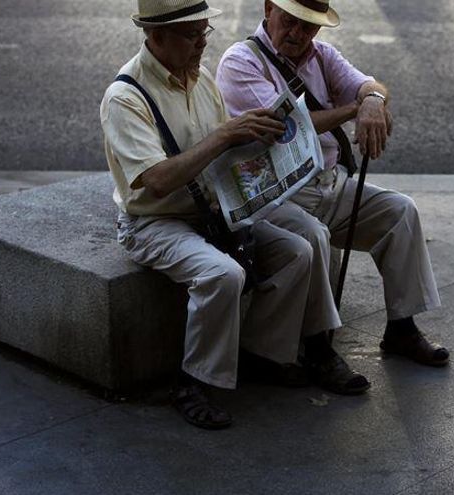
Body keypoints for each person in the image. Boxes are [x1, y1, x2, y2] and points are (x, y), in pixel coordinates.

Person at [101, 0, 349, 430]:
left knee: (303, 243)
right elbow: (157, 180)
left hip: (213, 207)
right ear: (155, 36)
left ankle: (266, 353)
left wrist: (263, 148)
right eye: (191, 35)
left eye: (204, 33)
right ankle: (192, 383)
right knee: (222, 275)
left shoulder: (201, 79)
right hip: (155, 221)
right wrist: (223, 138)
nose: (201, 44)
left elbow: (225, 157)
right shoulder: (125, 96)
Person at [215, 0, 450, 380]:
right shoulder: (240, 61)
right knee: (315, 236)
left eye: (308, 27)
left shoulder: (322, 56)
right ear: (268, 9)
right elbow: (289, 126)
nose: (297, 34)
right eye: (290, 22)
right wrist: (355, 110)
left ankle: (402, 328)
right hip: (275, 193)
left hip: (329, 184)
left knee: (400, 211)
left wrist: (373, 99)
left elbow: (368, 85)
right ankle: (318, 346)